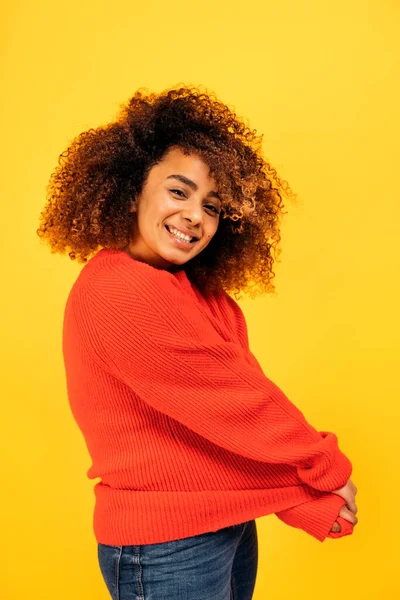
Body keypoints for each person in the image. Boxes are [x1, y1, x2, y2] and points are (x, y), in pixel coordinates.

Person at [37, 84, 358, 600]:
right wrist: (323, 470)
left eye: (212, 207)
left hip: (224, 522)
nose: (195, 218)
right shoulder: (119, 289)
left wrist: (299, 499)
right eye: (179, 192)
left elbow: (216, 430)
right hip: (168, 548)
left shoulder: (189, 289)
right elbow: (237, 405)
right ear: (131, 187)